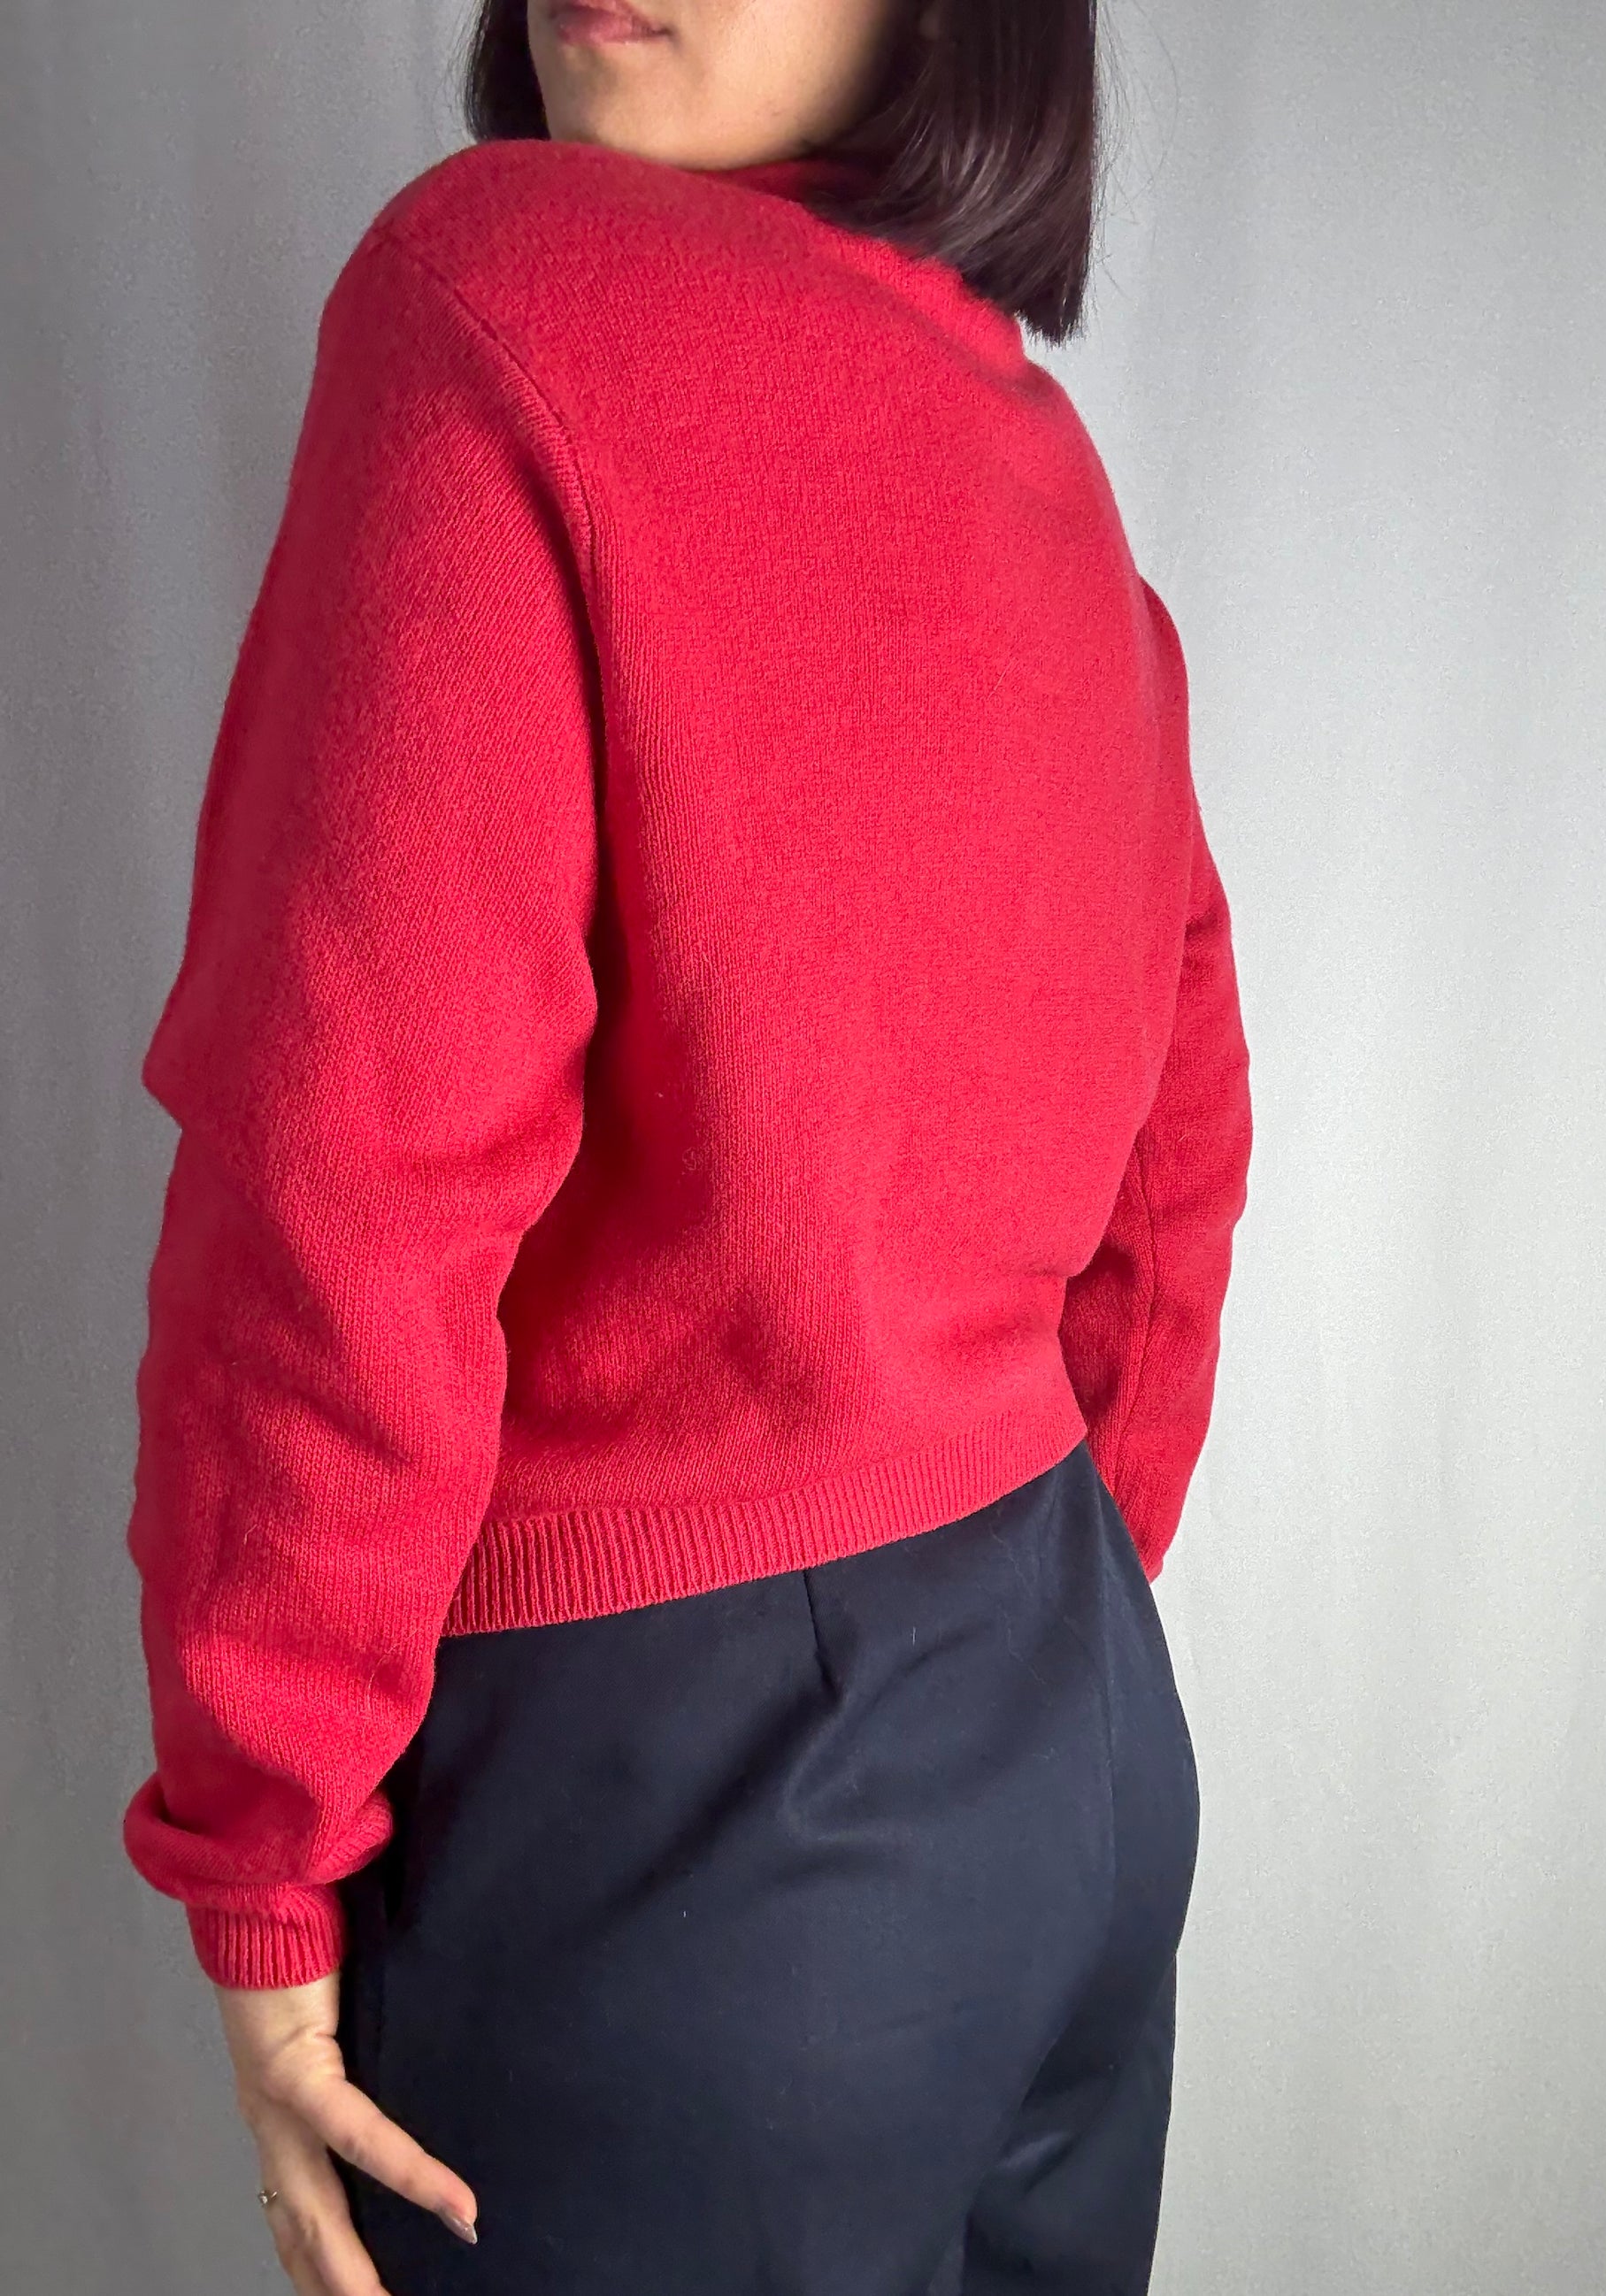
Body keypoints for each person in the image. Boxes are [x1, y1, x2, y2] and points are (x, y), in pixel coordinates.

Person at [119, 0, 1253, 2288]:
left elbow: (345, 1167)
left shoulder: (500, 295)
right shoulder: (1040, 461)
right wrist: (1021, 1635)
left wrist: (266, 1840)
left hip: (701, 1855)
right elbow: (1181, 1149)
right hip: (1073, 1749)